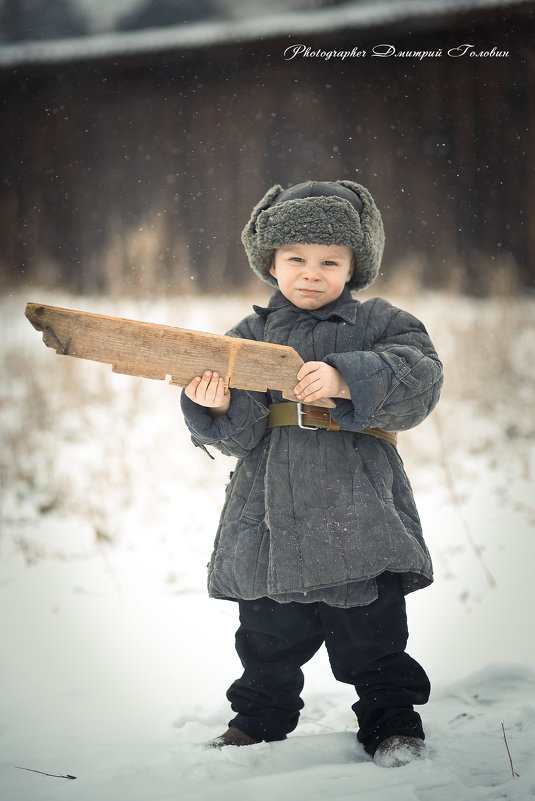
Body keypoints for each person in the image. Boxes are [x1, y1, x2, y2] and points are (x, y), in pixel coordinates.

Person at [180, 180, 443, 767]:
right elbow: (239, 434)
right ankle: (257, 721)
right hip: (267, 509)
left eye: (330, 260)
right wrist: (214, 405)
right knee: (267, 637)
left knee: (372, 637)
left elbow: (420, 380)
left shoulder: (381, 323)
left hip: (357, 504)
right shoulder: (245, 337)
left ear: (354, 266)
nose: (311, 273)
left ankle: (392, 722)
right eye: (295, 258)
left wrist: (346, 379)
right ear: (271, 263)